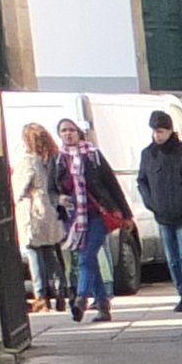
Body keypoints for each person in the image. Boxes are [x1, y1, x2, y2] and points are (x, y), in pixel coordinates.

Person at [55, 119, 129, 322]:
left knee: (86, 257)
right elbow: (52, 188)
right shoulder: (59, 159)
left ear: (79, 132)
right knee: (90, 260)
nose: (68, 134)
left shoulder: (92, 155)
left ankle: (81, 299)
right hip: (75, 218)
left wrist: (125, 212)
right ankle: (103, 305)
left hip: (98, 214)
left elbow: (111, 183)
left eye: (71, 130)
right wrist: (58, 198)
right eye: (64, 131)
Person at [136, 108, 182, 315]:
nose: (156, 136)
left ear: (169, 130)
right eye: (154, 131)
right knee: (172, 258)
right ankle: (180, 291)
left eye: (160, 131)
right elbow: (142, 181)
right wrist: (151, 203)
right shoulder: (148, 154)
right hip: (162, 214)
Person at [14, 124, 68, 314]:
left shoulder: (28, 160)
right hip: (50, 210)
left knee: (33, 250)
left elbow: (19, 188)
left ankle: (41, 297)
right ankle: (61, 294)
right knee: (51, 250)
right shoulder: (52, 158)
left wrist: (18, 196)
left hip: (33, 210)